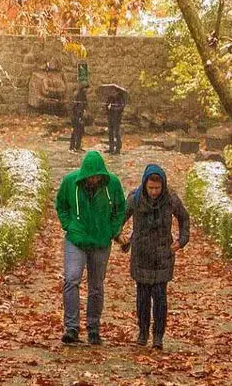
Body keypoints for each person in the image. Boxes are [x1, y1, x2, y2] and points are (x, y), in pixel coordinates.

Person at [55, 150, 126, 345]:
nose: (94, 179)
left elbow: (120, 208)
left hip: (101, 241)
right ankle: (71, 327)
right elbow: (61, 204)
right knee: (72, 279)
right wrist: (68, 225)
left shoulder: (112, 184)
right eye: (91, 176)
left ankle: (93, 327)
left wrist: (113, 229)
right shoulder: (70, 182)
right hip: (76, 238)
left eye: (97, 176)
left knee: (96, 286)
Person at [117, 163, 190, 350]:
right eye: (151, 188)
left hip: (163, 254)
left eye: (157, 188)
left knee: (160, 297)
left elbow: (184, 218)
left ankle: (158, 336)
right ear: (145, 184)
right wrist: (119, 235)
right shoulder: (135, 198)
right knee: (142, 297)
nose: (154, 192)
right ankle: (143, 332)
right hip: (141, 253)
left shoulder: (171, 199)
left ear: (163, 185)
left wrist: (181, 241)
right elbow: (120, 218)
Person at [69, 83, 89, 152]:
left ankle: (78, 146)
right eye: (86, 89)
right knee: (75, 131)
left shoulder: (84, 96)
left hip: (81, 115)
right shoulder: (78, 96)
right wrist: (79, 115)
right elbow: (76, 107)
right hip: (76, 116)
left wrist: (85, 111)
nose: (87, 90)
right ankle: (72, 146)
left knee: (80, 131)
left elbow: (85, 105)